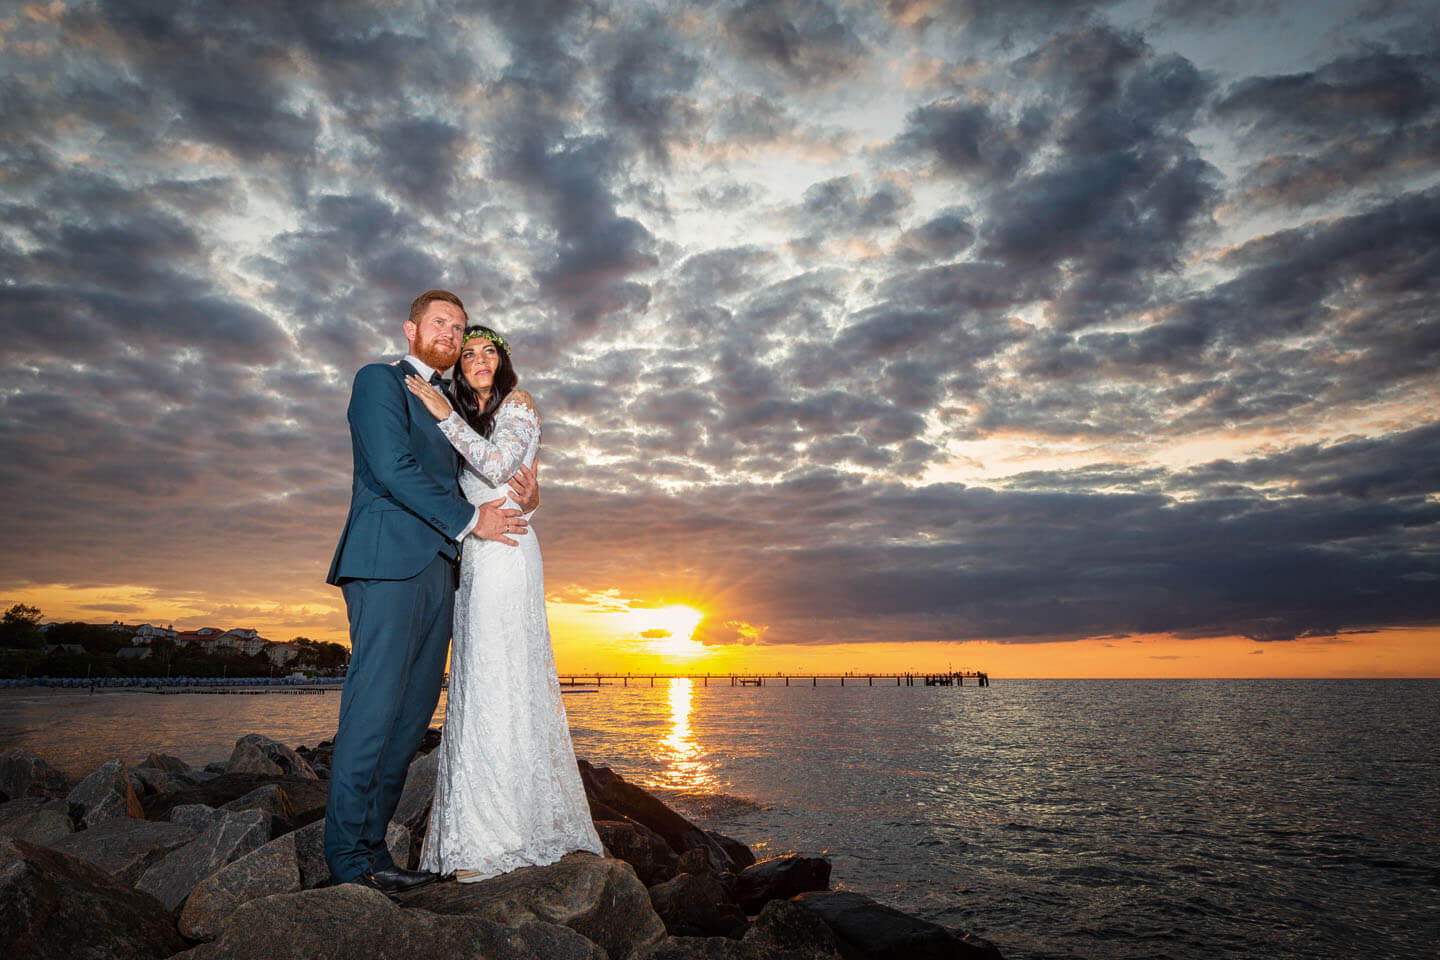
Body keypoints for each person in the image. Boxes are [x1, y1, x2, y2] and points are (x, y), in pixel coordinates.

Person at [323, 290, 539, 897]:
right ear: (411, 328)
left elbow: (485, 468)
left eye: (460, 326)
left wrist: (529, 494)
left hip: (444, 569)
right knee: (373, 711)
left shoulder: (453, 403)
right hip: (388, 562)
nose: (451, 333)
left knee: (409, 718)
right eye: (440, 322)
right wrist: (473, 522)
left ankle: (375, 852)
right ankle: (346, 861)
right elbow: (393, 468)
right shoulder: (380, 381)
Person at [403, 324, 603, 882]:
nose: (479, 359)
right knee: (478, 683)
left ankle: (504, 835)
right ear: (459, 367)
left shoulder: (518, 403)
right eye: (468, 353)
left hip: (508, 554)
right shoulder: (467, 417)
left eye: (488, 350)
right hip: (475, 557)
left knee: (505, 681)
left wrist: (444, 414)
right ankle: (475, 832)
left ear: (502, 360)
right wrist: (450, 418)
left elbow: (499, 467)